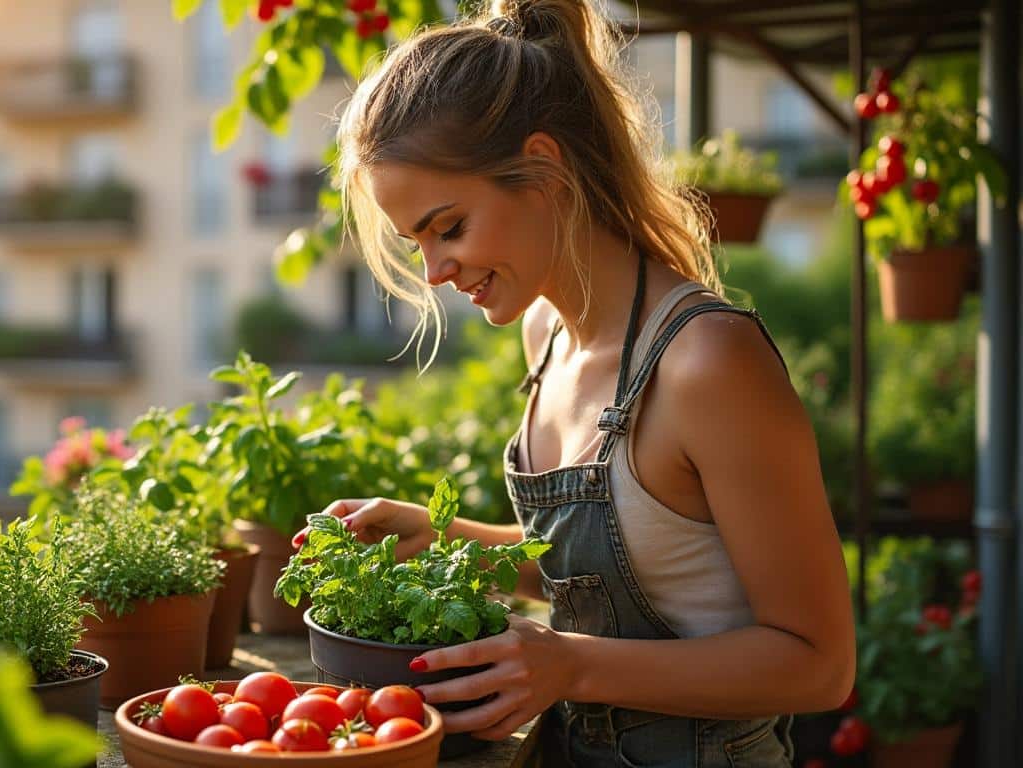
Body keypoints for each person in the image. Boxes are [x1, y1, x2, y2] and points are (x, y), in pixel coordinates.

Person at [289, 1, 856, 765]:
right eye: (415, 240)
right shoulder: (544, 332)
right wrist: (444, 538)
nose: (434, 271)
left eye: (448, 226)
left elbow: (819, 664)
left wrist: (572, 663)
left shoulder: (707, 363)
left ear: (544, 167)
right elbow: (609, 569)